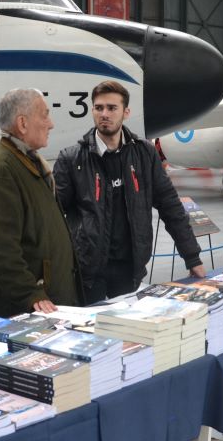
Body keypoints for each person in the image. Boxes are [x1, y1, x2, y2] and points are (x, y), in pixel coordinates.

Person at [53, 80, 205, 303]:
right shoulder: (71, 159)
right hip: (87, 274)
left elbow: (170, 205)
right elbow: (53, 218)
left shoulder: (145, 154)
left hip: (130, 270)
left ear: (126, 112)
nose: (104, 114)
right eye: (99, 107)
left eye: (112, 108)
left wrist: (192, 257)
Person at [0, 88, 80, 322]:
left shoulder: (28, 161)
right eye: (45, 115)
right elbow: (0, 248)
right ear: (23, 123)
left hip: (43, 308)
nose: (51, 124)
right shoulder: (2, 169)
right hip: (20, 315)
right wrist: (31, 293)